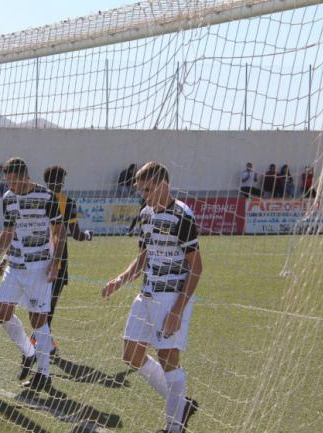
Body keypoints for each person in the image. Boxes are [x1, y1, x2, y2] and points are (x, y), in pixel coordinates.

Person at [102, 161, 201, 433]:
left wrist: (178, 310)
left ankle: (174, 427)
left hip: (171, 297)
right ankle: (181, 405)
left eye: (148, 189)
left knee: (170, 360)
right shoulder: (146, 214)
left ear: (164, 185)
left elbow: (197, 267)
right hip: (146, 294)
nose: (144, 195)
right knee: (131, 353)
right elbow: (143, 257)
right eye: (141, 190)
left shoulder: (182, 216)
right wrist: (121, 279)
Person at [0, 157, 66, 392]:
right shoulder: (8, 199)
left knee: (38, 320)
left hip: (39, 267)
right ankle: (29, 353)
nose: (10, 186)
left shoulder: (46, 197)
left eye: (13, 181)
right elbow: (8, 232)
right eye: (7, 181)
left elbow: (59, 230)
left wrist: (56, 262)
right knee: (2, 313)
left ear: (25, 176)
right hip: (15, 266)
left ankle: (44, 375)